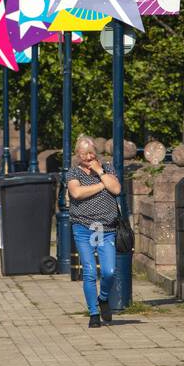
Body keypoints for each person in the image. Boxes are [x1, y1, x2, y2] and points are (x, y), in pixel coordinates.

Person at [66, 137, 121, 328]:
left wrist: (100, 172)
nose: (89, 157)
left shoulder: (107, 169)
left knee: (109, 271)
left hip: (106, 229)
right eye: (84, 154)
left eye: (91, 153)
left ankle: (103, 297)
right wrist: (101, 185)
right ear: (77, 155)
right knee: (89, 272)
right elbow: (77, 193)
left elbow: (116, 188)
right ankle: (94, 313)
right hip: (83, 228)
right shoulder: (73, 172)